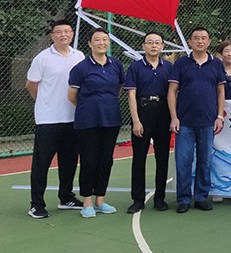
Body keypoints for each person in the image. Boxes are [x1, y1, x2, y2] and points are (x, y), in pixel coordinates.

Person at [26, 19, 85, 219]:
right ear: (52, 35)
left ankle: (66, 197)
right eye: (58, 32)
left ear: (72, 34)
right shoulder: (42, 58)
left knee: (69, 161)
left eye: (67, 31)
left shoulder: (79, 56)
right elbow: (31, 85)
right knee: (41, 164)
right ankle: (36, 204)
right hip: (48, 120)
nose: (63, 35)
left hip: (73, 118)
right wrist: (44, 102)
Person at [67, 28, 125, 218]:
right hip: (87, 122)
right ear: (90, 44)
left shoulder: (116, 65)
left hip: (111, 120)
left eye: (105, 39)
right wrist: (89, 106)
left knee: (106, 160)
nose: (102, 43)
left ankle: (101, 200)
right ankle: (87, 202)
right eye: (97, 40)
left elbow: (118, 88)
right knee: (89, 161)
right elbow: (72, 96)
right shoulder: (80, 68)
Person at [168, 27, 226, 213]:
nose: (200, 41)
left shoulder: (216, 64)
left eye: (203, 38)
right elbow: (171, 92)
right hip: (184, 122)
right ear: (190, 42)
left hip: (208, 122)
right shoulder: (181, 63)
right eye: (196, 38)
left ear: (209, 42)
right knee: (183, 162)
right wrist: (174, 117)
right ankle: (183, 199)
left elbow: (220, 92)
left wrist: (219, 116)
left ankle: (201, 197)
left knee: (205, 161)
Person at [124, 32, 173, 214]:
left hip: (163, 112)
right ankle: (137, 199)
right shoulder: (135, 67)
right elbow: (131, 96)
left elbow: (174, 93)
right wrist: (136, 120)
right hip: (143, 111)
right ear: (143, 45)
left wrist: (173, 116)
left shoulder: (169, 67)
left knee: (162, 157)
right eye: (150, 42)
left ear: (162, 46)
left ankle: (160, 198)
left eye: (157, 43)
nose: (154, 46)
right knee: (139, 157)